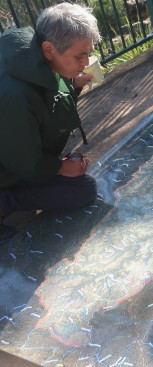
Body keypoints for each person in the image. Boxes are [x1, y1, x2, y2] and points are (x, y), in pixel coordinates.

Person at [0, 3, 101, 241]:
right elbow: (23, 159)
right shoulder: (15, 93)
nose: (86, 62)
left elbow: (48, 99)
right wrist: (59, 167)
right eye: (80, 55)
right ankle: (5, 201)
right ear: (49, 49)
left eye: (88, 53)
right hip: (11, 163)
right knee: (83, 190)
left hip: (12, 156)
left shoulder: (36, 59)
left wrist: (73, 87)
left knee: (80, 186)